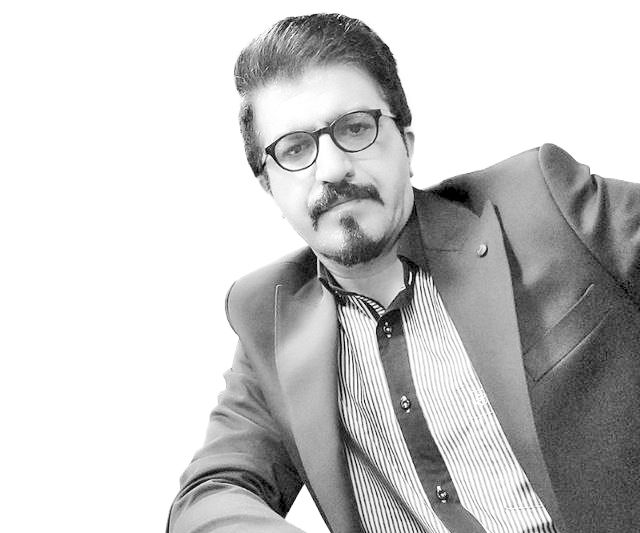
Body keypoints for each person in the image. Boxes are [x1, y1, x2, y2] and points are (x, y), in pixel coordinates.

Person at [167, 13, 640, 533]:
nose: (331, 169)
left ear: (406, 144)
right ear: (270, 187)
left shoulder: (542, 205)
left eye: (355, 129)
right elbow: (210, 493)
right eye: (295, 149)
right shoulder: (271, 322)